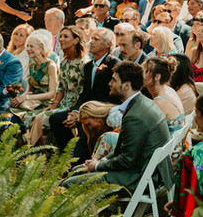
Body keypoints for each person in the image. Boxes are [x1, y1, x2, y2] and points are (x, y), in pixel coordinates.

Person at [64, 61, 170, 191]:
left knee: (68, 184)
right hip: (144, 172)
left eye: (114, 80)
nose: (109, 84)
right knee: (77, 170)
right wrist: (100, 162)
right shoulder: (142, 103)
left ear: (126, 85)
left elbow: (127, 160)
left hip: (138, 179)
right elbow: (124, 151)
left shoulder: (134, 116)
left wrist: (97, 166)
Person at [32, 25, 88, 145]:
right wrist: (55, 104)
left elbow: (84, 91)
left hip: (76, 105)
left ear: (76, 40)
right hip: (63, 103)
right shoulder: (64, 62)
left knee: (43, 119)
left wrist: (75, 109)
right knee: (36, 116)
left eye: (65, 36)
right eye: (60, 36)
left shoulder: (85, 63)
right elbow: (61, 87)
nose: (61, 39)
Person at [10, 30, 58, 133]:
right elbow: (30, 90)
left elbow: (51, 94)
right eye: (27, 46)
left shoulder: (51, 65)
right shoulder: (32, 66)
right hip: (32, 103)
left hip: (44, 105)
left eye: (31, 46)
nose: (28, 49)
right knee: (7, 119)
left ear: (41, 48)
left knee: (23, 122)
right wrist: (19, 98)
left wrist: (26, 97)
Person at [142, 55, 187, 132]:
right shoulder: (169, 90)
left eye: (145, 71)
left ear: (157, 77)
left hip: (170, 143)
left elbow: (146, 131)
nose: (141, 74)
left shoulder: (159, 102)